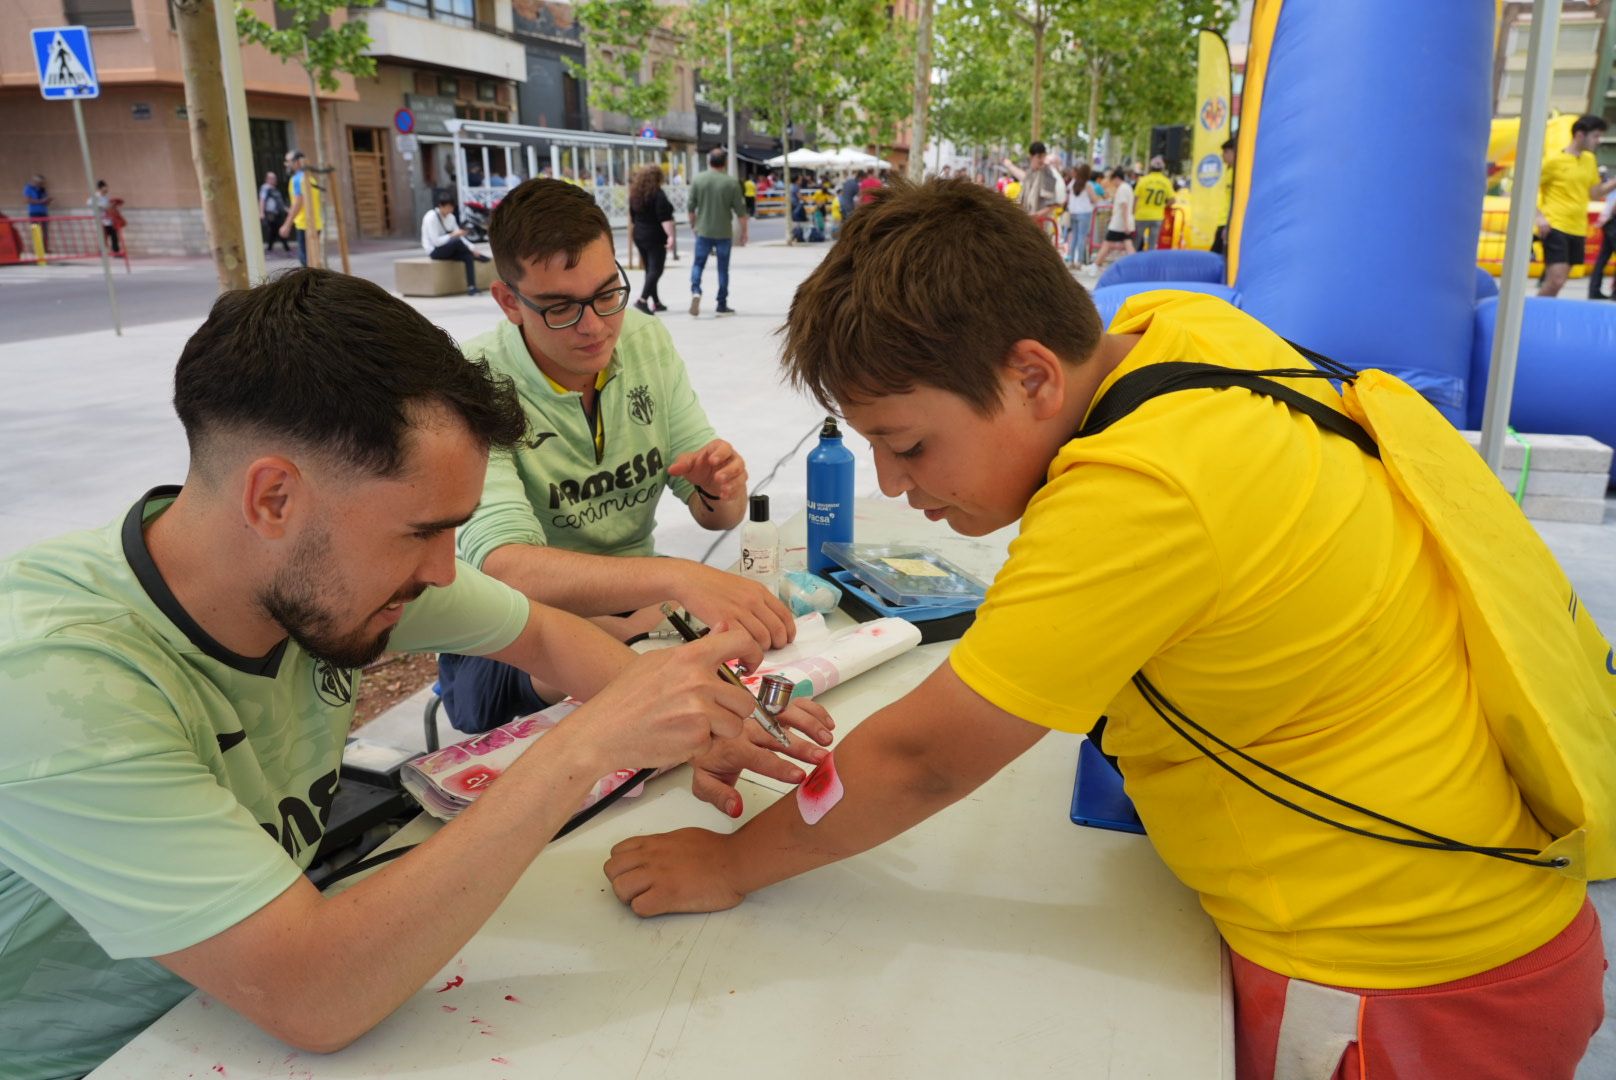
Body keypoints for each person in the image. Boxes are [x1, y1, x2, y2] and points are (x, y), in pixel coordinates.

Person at [602, 177, 1606, 1080]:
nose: (894, 486)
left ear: (1034, 376)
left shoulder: (1139, 493)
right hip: (1477, 920)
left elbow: (922, 761)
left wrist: (729, 862)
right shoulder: (1177, 336)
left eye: (907, 445)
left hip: (1396, 978)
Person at [0, 267, 832, 1077]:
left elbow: (546, 639)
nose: (444, 573)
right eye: (421, 533)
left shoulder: (315, 567)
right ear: (273, 499)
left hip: (235, 1016)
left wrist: (697, 720)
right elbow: (314, 996)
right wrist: (582, 747)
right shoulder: (56, 680)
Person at [440, 179, 799, 732]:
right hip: (506, 638)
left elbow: (717, 515)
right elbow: (505, 567)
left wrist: (718, 488)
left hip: (643, 613)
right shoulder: (476, 381)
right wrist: (675, 580)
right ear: (510, 301)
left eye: (608, 293)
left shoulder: (644, 340)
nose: (597, 326)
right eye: (560, 307)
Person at [1536, 114, 1616, 298]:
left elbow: (1594, 193)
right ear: (1580, 135)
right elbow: (1527, 187)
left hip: (1578, 228)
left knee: (1558, 281)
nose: (1599, 140)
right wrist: (1539, 217)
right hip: (1555, 224)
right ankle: (1532, 316)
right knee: (1556, 279)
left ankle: (1540, 315)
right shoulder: (1554, 161)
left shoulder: (1589, 160)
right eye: (1595, 136)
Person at [687, 148, 748, 317]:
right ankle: (721, 303)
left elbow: (691, 207)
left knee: (698, 264)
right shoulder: (731, 183)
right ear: (725, 163)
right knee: (723, 269)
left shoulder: (699, 180)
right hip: (723, 233)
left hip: (703, 230)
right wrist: (744, 233)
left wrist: (693, 225)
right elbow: (741, 212)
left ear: (709, 161)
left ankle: (696, 291)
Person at [421, 188, 489, 296]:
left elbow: (460, 237)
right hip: (434, 251)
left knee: (468, 256)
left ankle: (472, 287)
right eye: (448, 207)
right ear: (440, 206)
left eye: (452, 207)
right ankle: (476, 256)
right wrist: (452, 235)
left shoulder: (451, 217)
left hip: (450, 248)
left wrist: (471, 247)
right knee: (456, 242)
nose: (450, 210)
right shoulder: (431, 217)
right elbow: (436, 242)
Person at [628, 164, 676, 313]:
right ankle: (642, 300)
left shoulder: (635, 194)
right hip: (654, 236)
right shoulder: (658, 194)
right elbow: (664, 218)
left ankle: (656, 302)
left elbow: (633, 216)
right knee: (656, 270)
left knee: (649, 269)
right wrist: (670, 236)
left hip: (639, 235)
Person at [1003, 142, 1064, 243]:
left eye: (1043, 156)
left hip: (1041, 226)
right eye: (1039, 156)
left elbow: (1054, 204)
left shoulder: (1048, 174)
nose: (1041, 160)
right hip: (1028, 225)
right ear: (1031, 157)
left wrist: (1036, 216)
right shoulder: (1030, 173)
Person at [279, 151, 323, 267]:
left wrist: (287, 225)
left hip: (304, 224)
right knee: (313, 261)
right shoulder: (310, 179)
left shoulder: (297, 179)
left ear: (298, 162)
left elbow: (298, 202)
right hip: (316, 223)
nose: (286, 164)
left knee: (307, 262)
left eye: (288, 161)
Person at [1094, 167, 1135, 269]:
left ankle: (1095, 265)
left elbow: (1124, 206)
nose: (1112, 183)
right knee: (1128, 244)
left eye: (1112, 180)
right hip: (1125, 222)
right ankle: (1136, 265)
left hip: (1119, 224)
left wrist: (1125, 224)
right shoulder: (1128, 187)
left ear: (1116, 178)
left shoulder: (1122, 188)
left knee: (1107, 244)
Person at [1134, 156, 1173, 252]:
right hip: (1157, 216)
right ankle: (1150, 265)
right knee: (1152, 244)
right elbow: (1172, 200)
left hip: (1141, 215)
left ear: (1150, 167)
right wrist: (1163, 205)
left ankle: (1132, 263)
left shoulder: (1143, 180)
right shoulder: (1166, 181)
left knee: (1135, 243)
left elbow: (1135, 198)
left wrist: (1132, 212)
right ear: (1162, 168)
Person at [1064, 164, 1096, 268]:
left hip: (1073, 213)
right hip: (1084, 213)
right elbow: (1094, 199)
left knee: (1074, 237)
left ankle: (1071, 260)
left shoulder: (1073, 183)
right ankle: (1080, 261)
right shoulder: (1087, 185)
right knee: (1082, 237)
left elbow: (1068, 196)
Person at [1210, 137, 1237, 257]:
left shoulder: (1237, 173)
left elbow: (1235, 201)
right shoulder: (1229, 171)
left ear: (1234, 152)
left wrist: (1228, 225)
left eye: (1226, 152)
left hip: (1228, 222)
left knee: (1216, 256)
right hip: (1224, 221)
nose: (1223, 156)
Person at [1589, 186, 1616, 300]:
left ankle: (1594, 291)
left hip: (1608, 221)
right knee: (1602, 258)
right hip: (1613, 221)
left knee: (1603, 258)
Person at [87, 179, 123, 257]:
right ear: (101, 188)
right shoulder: (96, 196)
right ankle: (102, 252)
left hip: (109, 219)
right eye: (105, 187)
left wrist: (113, 205)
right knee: (104, 237)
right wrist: (101, 206)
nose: (107, 189)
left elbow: (108, 206)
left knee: (114, 236)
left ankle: (116, 252)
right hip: (101, 220)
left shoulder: (106, 197)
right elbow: (89, 203)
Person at [259, 171, 292, 256]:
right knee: (278, 229)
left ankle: (270, 248)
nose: (275, 180)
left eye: (275, 178)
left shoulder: (274, 189)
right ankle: (286, 247)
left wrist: (286, 209)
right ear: (267, 179)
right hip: (271, 214)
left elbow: (279, 202)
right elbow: (262, 200)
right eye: (273, 178)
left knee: (274, 231)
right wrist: (261, 212)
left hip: (278, 213)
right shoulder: (265, 188)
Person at [23, 173, 51, 251]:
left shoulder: (43, 189)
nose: (40, 184)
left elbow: (46, 201)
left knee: (45, 231)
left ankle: (45, 248)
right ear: (34, 181)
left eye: (42, 183)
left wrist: (47, 201)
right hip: (34, 213)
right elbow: (27, 200)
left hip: (43, 212)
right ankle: (38, 249)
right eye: (39, 182)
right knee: (35, 231)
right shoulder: (28, 188)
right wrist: (41, 201)